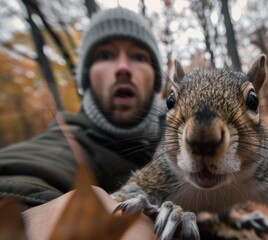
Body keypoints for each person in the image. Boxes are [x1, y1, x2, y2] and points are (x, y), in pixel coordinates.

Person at [0, 6, 164, 238]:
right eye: (105, 55)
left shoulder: (185, 140)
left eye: (139, 57)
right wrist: (39, 214)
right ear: (87, 77)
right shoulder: (69, 140)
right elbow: (24, 169)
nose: (123, 68)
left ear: (156, 78)